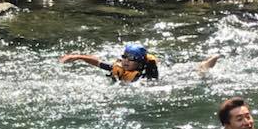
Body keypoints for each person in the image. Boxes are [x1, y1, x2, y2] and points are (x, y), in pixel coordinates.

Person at [60, 44, 220, 83]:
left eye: (131, 59)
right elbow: (98, 62)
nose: (126, 61)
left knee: (196, 73)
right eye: (124, 57)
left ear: (140, 62)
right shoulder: (120, 67)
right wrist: (77, 57)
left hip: (169, 79)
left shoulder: (147, 74)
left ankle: (206, 64)